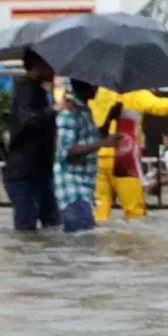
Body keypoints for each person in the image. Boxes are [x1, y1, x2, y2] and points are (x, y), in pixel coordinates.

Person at [4, 57, 62, 232]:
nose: (55, 69)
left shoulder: (40, 90)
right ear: (37, 66)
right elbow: (26, 121)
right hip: (25, 172)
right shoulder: (26, 89)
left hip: (40, 169)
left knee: (53, 225)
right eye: (51, 64)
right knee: (27, 228)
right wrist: (53, 111)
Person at [51, 78, 102, 233]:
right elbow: (66, 151)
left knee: (85, 237)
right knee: (81, 238)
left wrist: (110, 120)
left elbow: (88, 140)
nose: (97, 90)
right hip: (72, 188)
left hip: (85, 188)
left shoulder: (85, 111)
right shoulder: (69, 114)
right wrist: (103, 143)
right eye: (95, 85)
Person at [93, 90, 148, 222]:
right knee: (134, 207)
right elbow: (152, 103)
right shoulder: (136, 94)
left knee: (100, 204)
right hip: (124, 157)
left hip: (99, 156)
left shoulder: (96, 93)